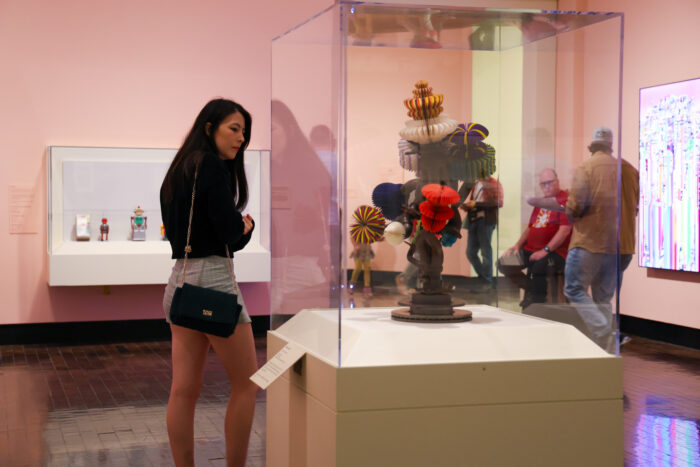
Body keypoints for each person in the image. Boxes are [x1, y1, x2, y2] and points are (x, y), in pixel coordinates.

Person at [160, 98, 258, 467]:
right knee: (247, 384)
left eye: (244, 132)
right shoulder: (212, 168)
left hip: (180, 283)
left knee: (183, 391)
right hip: (215, 283)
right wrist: (246, 227)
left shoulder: (179, 169)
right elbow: (229, 234)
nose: (241, 139)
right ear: (209, 127)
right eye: (234, 129)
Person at [564, 126, 639, 351]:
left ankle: (604, 332)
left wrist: (570, 211)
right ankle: (604, 351)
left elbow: (575, 206)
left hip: (591, 243)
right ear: (610, 146)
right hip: (623, 245)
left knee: (574, 289)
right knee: (603, 298)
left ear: (592, 146)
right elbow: (634, 207)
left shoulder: (586, 167)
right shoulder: (629, 169)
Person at [498, 168, 572, 307]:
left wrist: (545, 250)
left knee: (539, 267)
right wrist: (517, 245)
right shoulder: (542, 202)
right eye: (543, 184)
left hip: (555, 252)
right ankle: (532, 290)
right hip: (531, 249)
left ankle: (538, 304)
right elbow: (530, 228)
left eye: (550, 182)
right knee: (504, 263)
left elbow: (564, 231)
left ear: (558, 181)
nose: (547, 186)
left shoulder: (564, 200)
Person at [459, 171, 504, 290]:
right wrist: (469, 205)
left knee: (485, 251)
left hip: (486, 220)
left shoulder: (493, 183)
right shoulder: (475, 183)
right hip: (474, 219)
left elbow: (498, 202)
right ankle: (484, 279)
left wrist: (476, 204)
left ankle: (486, 281)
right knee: (470, 252)